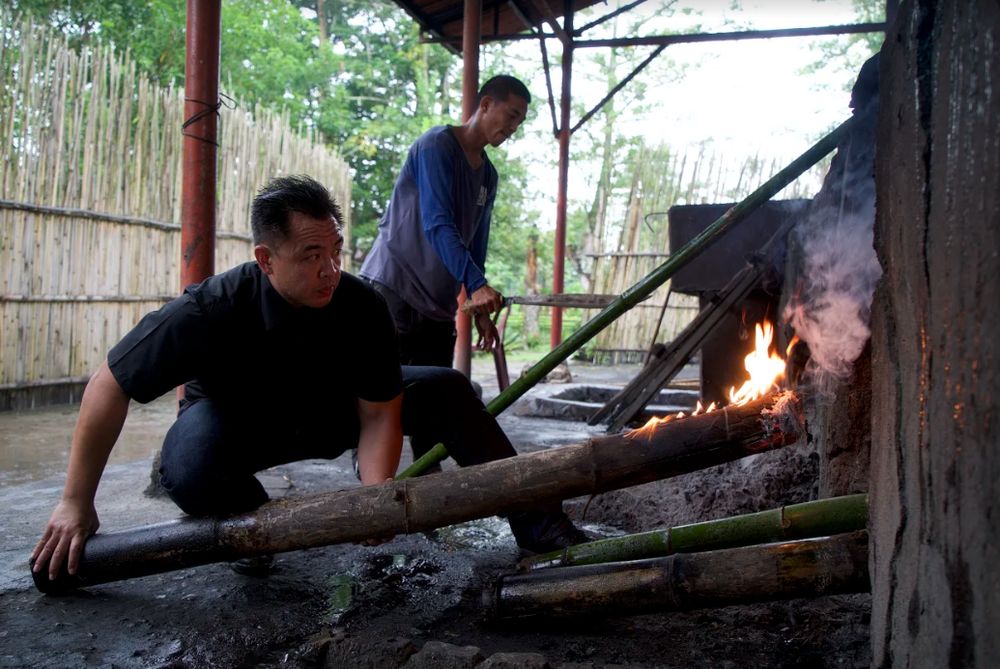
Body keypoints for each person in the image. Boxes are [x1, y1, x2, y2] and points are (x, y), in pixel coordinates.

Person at [30, 175, 584, 584]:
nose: (329, 270)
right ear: (266, 259)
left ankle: (542, 529)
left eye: (336, 251)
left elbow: (378, 409)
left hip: (329, 410)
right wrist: (76, 502)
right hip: (239, 423)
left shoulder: (362, 303)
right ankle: (254, 521)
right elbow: (110, 382)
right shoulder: (212, 307)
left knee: (448, 387)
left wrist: (375, 494)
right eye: (311, 255)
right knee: (188, 467)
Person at [360, 74, 531, 366]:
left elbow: (477, 245)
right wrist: (477, 286)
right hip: (395, 289)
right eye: (512, 115)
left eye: (520, 122)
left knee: (433, 398)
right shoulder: (436, 146)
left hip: (438, 305)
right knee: (386, 399)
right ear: (487, 104)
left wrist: (481, 310)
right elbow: (437, 223)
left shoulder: (489, 177)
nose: (514, 128)